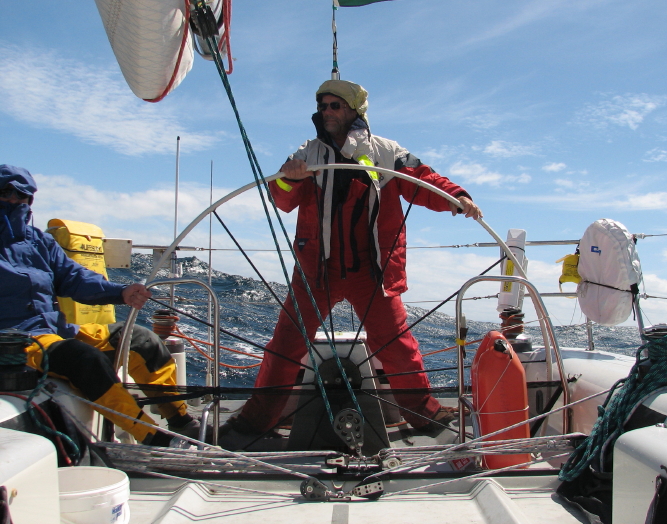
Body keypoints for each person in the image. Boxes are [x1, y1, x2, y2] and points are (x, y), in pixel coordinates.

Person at [225, 80, 482, 436]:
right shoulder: (308, 152)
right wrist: (291, 178)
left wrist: (457, 196)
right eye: (323, 106)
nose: (326, 112)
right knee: (285, 346)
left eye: (335, 106)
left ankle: (425, 414)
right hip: (317, 271)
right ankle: (255, 420)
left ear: (354, 111)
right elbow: (281, 199)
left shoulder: (387, 151)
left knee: (397, 347)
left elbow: (423, 180)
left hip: (370, 270)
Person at [0, 164, 199, 447]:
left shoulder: (39, 242)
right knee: (84, 359)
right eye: (7, 192)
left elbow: (73, 277)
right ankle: (153, 437)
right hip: (15, 344)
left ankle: (182, 421)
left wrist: (121, 292)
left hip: (52, 331)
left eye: (24, 196)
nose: (16, 200)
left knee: (142, 340)